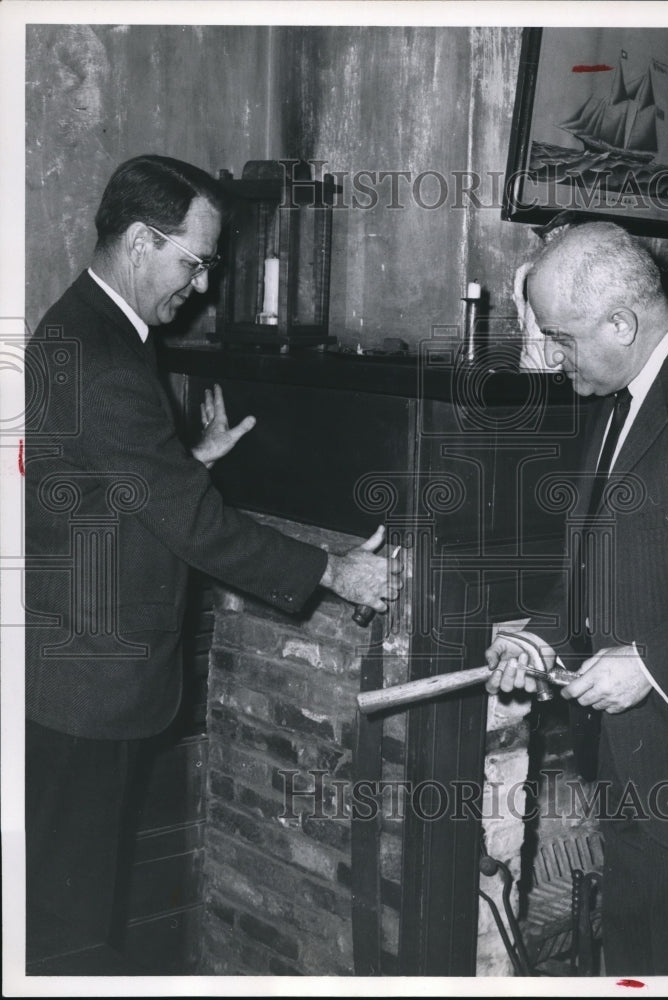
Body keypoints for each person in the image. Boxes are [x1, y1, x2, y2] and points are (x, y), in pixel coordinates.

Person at [24, 154, 403, 968]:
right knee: (67, 928)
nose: (199, 286)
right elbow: (196, 530)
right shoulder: (104, 355)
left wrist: (188, 457)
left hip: (73, 669)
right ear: (137, 242)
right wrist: (337, 572)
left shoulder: (82, 328)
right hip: (87, 685)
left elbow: (109, 485)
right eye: (193, 262)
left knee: (64, 907)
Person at [485, 222, 668, 976]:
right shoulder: (617, 394)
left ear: (622, 323)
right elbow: (596, 561)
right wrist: (537, 637)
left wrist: (651, 663)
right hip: (630, 775)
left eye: (562, 339)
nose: (552, 359)